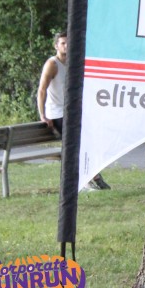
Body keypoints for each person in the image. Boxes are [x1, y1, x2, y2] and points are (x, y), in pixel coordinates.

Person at [37, 31, 110, 190]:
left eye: (68, 42)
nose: (66, 45)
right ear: (56, 46)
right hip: (57, 113)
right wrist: (42, 115)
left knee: (90, 141)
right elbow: (42, 90)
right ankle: (86, 180)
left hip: (73, 112)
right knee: (76, 145)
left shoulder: (73, 63)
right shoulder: (52, 64)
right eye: (63, 43)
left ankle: (93, 175)